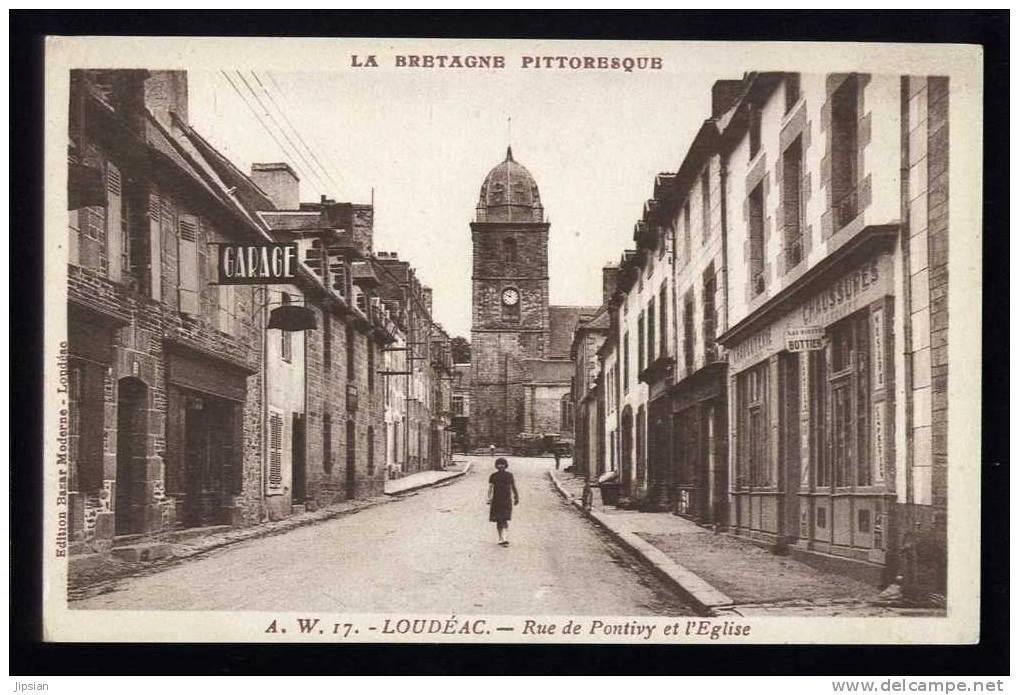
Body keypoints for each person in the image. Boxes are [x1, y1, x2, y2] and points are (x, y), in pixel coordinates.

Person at [487, 458, 519, 546]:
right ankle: (500, 538)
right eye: (499, 464)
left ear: (506, 465)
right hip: (496, 500)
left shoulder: (509, 475)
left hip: (506, 500)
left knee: (505, 519)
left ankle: (505, 538)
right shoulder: (493, 476)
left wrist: (516, 496)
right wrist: (489, 498)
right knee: (498, 520)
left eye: (503, 464)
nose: (501, 466)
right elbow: (490, 488)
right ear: (496, 466)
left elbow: (513, 486)